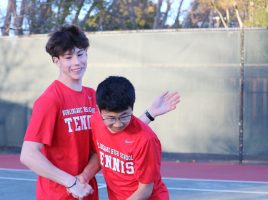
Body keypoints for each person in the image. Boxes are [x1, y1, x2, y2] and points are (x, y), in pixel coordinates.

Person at [20, 25, 180, 200]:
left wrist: (148, 115)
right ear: (56, 60)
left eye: (80, 54)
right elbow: (28, 155)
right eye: (68, 57)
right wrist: (71, 183)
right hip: (59, 194)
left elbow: (113, 138)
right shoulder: (50, 100)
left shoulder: (93, 97)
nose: (76, 62)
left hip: (87, 190)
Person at [91, 76, 170, 200]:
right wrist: (83, 177)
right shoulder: (96, 122)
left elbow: (145, 190)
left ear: (132, 108)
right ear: (99, 110)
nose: (118, 124)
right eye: (111, 118)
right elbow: (121, 139)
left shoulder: (147, 141)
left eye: (124, 116)